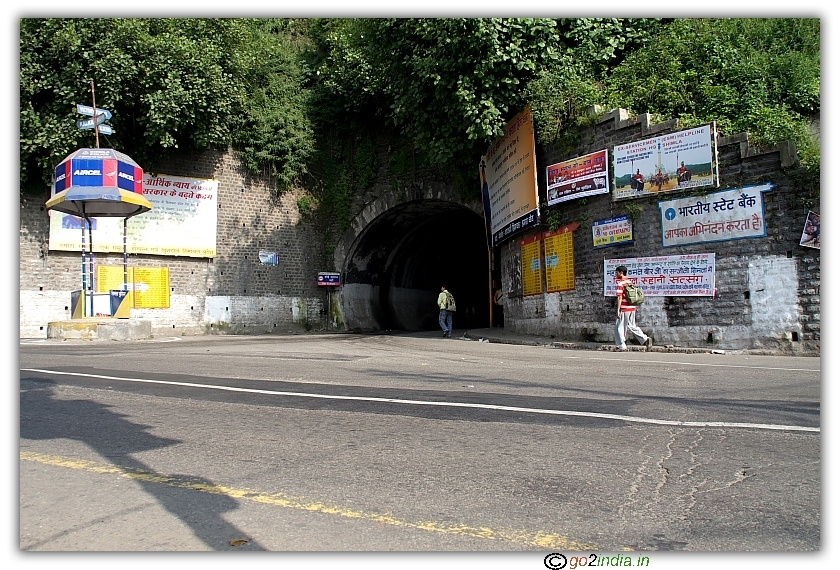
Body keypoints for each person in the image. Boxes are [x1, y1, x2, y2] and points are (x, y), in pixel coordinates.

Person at [614, 265, 653, 351]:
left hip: (624, 308)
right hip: (632, 308)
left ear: (621, 273)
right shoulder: (630, 282)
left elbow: (619, 297)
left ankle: (621, 345)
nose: (616, 274)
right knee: (632, 326)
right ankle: (645, 339)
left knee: (619, 327)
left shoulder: (621, 283)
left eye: (617, 272)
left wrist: (618, 309)